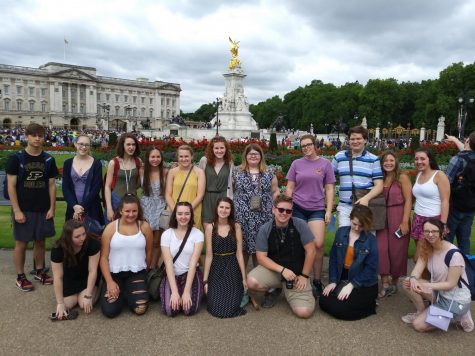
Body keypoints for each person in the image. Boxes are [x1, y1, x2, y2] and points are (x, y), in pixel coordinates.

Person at [6, 123, 58, 291]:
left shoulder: (48, 159)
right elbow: (11, 186)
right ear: (27, 137)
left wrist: (52, 208)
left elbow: (51, 185)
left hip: (42, 207)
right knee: (21, 243)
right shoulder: (16, 158)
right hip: (24, 208)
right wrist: (16, 210)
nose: (37, 138)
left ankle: (39, 270)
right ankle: (20, 276)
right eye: (34, 135)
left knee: (40, 241)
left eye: (40, 135)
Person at [246, 194, 316, 318]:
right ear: (273, 209)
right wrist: (282, 270)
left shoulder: (300, 225)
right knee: (251, 282)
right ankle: (276, 288)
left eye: (288, 211)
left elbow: (311, 251)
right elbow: (261, 257)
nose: (284, 213)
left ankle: (299, 290)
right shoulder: (265, 229)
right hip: (276, 271)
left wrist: (304, 276)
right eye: (281, 209)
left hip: (297, 274)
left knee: (304, 312)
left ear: (291, 212)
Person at [285, 134, 335, 298]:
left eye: (308, 144)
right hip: (298, 206)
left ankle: (317, 280)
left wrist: (328, 210)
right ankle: (299, 276)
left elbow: (329, 188)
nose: (306, 148)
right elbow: (290, 187)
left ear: (315, 145)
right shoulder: (296, 164)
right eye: (303, 146)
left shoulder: (325, 164)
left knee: (318, 244)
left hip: (316, 207)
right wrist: (287, 206)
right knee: (299, 244)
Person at [401, 219, 473, 332]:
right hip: (440, 293)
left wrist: (428, 286)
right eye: (426, 231)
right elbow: (417, 271)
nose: (430, 234)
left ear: (441, 232)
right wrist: (413, 279)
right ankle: (422, 311)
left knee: (418, 325)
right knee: (408, 282)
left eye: (434, 231)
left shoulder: (454, 254)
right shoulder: (427, 248)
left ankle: (460, 314)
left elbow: (451, 284)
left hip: (456, 299)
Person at [319, 205, 379, 320]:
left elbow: (371, 269)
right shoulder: (341, 232)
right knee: (323, 299)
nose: (356, 228)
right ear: (350, 219)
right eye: (354, 224)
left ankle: (370, 306)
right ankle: (357, 301)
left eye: (361, 226)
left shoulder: (371, 240)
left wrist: (352, 285)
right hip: (344, 277)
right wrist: (332, 281)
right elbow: (333, 258)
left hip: (363, 283)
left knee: (342, 309)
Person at [99, 194, 153, 318]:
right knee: (110, 311)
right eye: (127, 211)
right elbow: (103, 258)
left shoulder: (144, 227)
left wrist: (144, 271)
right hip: (114, 274)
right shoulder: (111, 228)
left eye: (134, 211)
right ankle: (117, 289)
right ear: (121, 210)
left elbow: (149, 252)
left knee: (140, 309)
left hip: (136, 273)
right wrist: (110, 282)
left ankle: (128, 291)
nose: (131, 214)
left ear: (138, 211)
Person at [233, 143, 279, 267]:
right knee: (242, 247)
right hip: (242, 216)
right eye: (250, 154)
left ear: (261, 156)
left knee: (260, 248)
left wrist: (277, 207)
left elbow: (275, 191)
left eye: (256, 154)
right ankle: (240, 279)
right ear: (245, 156)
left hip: (263, 216)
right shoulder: (236, 171)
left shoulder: (269, 172)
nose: (253, 156)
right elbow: (231, 190)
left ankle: (258, 279)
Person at [376, 151, 412, 298]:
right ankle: (385, 283)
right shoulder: (379, 177)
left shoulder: (402, 177)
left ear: (396, 162)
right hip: (381, 216)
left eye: (391, 160)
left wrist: (404, 221)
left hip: (398, 214)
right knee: (381, 249)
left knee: (397, 251)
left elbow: (409, 199)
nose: (388, 163)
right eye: (385, 160)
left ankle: (394, 282)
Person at [203, 198, 247, 318]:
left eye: (227, 208)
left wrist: (244, 278)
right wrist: (205, 281)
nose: (224, 210)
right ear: (217, 208)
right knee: (214, 305)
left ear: (231, 210)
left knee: (230, 305)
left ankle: (242, 292)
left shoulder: (236, 227)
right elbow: (208, 255)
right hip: (216, 267)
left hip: (232, 266)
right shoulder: (210, 228)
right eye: (221, 207)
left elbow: (239, 254)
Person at [332, 126, 383, 227]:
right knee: (345, 237)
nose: (355, 141)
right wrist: (331, 199)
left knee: (365, 239)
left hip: (365, 206)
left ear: (365, 140)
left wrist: (366, 199)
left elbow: (379, 185)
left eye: (358, 138)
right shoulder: (339, 157)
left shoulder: (373, 159)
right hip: (345, 206)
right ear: (349, 140)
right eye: (352, 139)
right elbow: (329, 180)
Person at [160, 202, 204, 316]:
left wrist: (185, 292)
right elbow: (168, 263)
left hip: (190, 274)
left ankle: (185, 292)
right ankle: (176, 292)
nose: (183, 217)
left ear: (191, 215)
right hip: (172, 274)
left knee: (189, 310)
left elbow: (193, 263)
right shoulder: (166, 234)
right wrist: (174, 292)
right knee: (170, 311)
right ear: (175, 215)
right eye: (180, 214)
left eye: (187, 214)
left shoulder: (198, 234)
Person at [51, 220, 100, 319]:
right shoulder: (58, 249)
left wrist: (88, 295)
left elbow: (92, 270)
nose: (82, 238)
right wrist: (60, 303)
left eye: (83, 234)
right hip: (70, 278)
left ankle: (98, 288)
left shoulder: (93, 243)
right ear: (68, 238)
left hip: (87, 277)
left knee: (83, 304)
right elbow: (57, 277)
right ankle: (77, 295)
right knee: (66, 305)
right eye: (77, 237)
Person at [411, 148, 450, 260]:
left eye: (422, 158)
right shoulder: (419, 175)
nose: (419, 161)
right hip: (418, 219)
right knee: (427, 257)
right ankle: (427, 277)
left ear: (430, 160)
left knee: (419, 257)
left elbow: (445, 201)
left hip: (432, 221)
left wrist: (442, 225)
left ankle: (419, 277)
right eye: (416, 159)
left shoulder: (439, 175)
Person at [62, 134, 104, 225]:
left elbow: (96, 188)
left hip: (92, 207)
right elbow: (65, 188)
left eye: (87, 145)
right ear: (75, 144)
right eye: (81, 144)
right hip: (72, 208)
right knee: (73, 236)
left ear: (90, 147)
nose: (83, 147)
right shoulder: (68, 163)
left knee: (92, 236)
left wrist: (80, 208)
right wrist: (74, 206)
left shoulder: (97, 164)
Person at [445, 132, 475, 254]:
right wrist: (455, 140)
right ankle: (466, 270)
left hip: (454, 206)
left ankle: (446, 268)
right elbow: (468, 151)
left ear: (467, 141)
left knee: (447, 240)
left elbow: (445, 184)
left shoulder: (457, 159)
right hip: (471, 206)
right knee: (464, 240)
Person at [103, 133, 142, 223]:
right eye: (128, 144)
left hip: (132, 202)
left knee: (130, 231)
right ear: (122, 145)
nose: (131, 147)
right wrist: (109, 208)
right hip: (116, 201)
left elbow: (138, 183)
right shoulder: (114, 162)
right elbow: (107, 187)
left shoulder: (138, 161)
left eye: (133, 144)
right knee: (112, 231)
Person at [165, 145, 205, 230]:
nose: (184, 159)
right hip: (174, 210)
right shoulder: (172, 172)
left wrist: (187, 210)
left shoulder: (199, 172)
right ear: (177, 158)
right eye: (181, 156)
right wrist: (176, 211)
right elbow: (168, 194)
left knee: (192, 239)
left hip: (193, 210)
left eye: (186, 156)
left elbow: (200, 195)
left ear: (192, 156)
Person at [140, 146, 168, 268]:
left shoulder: (166, 172)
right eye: (152, 157)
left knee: (157, 241)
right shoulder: (142, 171)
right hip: (145, 207)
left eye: (158, 157)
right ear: (148, 158)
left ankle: (153, 267)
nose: (155, 159)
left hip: (160, 207)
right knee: (145, 240)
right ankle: (143, 265)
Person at [199, 136, 234, 230]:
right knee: (208, 229)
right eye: (216, 148)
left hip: (223, 199)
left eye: (222, 148)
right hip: (207, 199)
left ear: (226, 149)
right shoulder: (204, 161)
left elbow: (232, 182)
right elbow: (199, 180)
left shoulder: (229, 163)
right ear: (212, 149)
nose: (219, 151)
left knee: (221, 229)